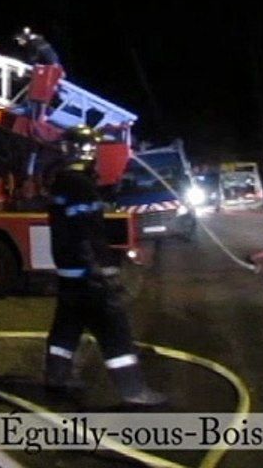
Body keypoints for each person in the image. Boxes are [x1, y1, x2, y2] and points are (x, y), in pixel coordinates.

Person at [44, 125, 167, 407]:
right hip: (89, 275)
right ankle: (134, 391)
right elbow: (85, 232)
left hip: (70, 274)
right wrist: (100, 270)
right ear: (86, 150)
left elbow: (72, 230)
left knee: (66, 328)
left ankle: (55, 377)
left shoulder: (63, 182)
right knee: (115, 332)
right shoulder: (80, 185)